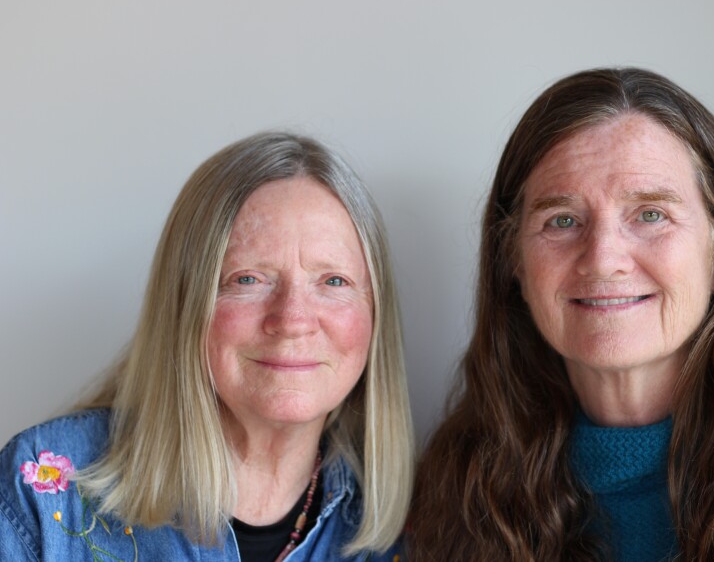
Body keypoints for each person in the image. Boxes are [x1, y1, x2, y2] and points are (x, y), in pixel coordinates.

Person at [407, 68, 714, 561]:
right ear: (514, 265)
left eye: (651, 214)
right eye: (562, 220)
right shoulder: (453, 490)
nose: (603, 259)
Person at [0, 132, 414, 561]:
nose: (293, 321)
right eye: (248, 279)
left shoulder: (412, 532)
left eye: (334, 281)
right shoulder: (43, 496)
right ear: (184, 303)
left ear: (376, 311)